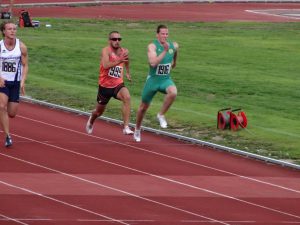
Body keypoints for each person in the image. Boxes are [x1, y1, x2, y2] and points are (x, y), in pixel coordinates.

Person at [134, 24, 179, 142]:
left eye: (166, 34)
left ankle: (161, 115)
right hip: (153, 81)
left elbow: (175, 49)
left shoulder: (172, 45)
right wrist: (164, 51)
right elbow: (153, 63)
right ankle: (137, 129)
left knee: (173, 92)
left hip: (165, 80)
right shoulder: (152, 46)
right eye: (162, 34)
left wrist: (174, 61)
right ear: (157, 35)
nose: (165, 36)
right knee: (143, 108)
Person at [86, 31, 133, 135]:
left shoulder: (124, 51)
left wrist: (128, 72)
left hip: (117, 84)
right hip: (104, 87)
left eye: (119, 39)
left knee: (127, 97)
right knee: (98, 112)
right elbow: (106, 65)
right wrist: (119, 60)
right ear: (109, 41)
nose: (117, 41)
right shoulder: (105, 51)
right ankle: (91, 119)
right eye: (114, 39)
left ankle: (126, 127)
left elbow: (127, 60)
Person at [0, 21, 28, 147]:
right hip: (2, 82)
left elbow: (25, 65)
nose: (12, 31)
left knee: (12, 113)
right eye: (9, 29)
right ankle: (7, 136)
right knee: (1, 106)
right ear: (4, 32)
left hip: (15, 82)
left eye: (14, 29)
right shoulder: (0, 46)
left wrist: (22, 81)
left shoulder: (21, 47)